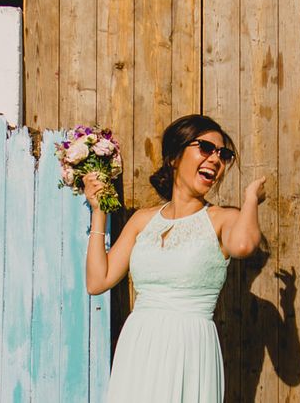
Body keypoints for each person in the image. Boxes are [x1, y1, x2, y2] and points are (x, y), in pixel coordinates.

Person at [84, 114, 266, 403]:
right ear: (174, 157)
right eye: (205, 148)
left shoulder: (222, 219)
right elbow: (97, 281)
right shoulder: (142, 220)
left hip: (189, 348)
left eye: (224, 154)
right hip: (138, 345)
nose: (216, 159)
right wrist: (99, 211)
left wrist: (250, 200)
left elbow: (243, 245)